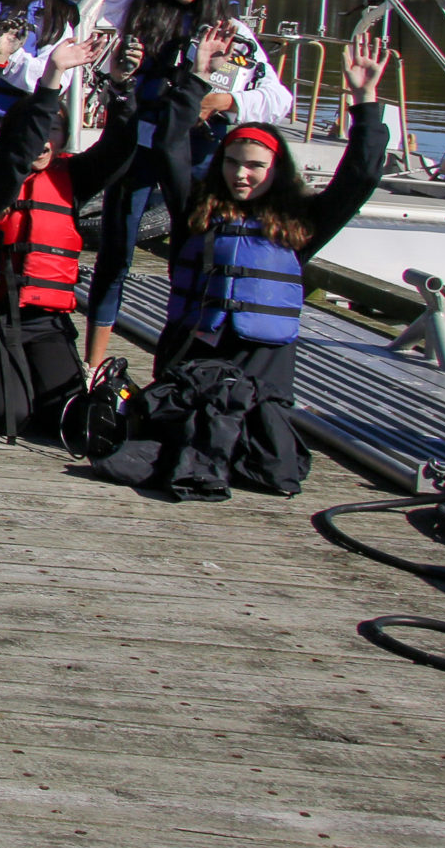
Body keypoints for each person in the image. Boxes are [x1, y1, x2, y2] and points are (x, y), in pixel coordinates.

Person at [97, 34, 393, 500]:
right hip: (194, 355)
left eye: (254, 166)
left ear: (277, 169)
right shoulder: (195, 210)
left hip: (261, 366)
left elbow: (363, 173)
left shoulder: (299, 223)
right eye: (232, 163)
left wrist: (365, 101)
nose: (241, 174)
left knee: (273, 470)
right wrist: (196, 74)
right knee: (174, 445)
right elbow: (172, 145)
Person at [68, 0, 294, 365]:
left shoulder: (232, 33)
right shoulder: (135, 9)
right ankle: (95, 366)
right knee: (115, 255)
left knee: (192, 257)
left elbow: (280, 101)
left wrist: (230, 102)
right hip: (139, 154)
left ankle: (184, 360)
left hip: (199, 159)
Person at [0, 32, 135, 440]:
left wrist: (121, 87)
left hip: (48, 320)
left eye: (57, 131)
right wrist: (53, 76)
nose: (45, 142)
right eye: (38, 129)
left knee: (63, 419)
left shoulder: (73, 177)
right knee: (8, 412)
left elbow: (119, 146)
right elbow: (16, 150)